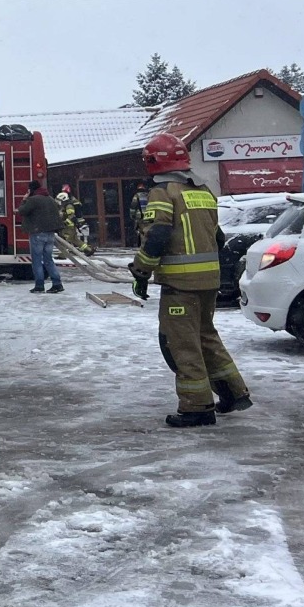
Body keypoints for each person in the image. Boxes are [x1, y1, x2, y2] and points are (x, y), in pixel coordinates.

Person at [129, 132, 252, 428]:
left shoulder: (163, 191)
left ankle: (197, 408)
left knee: (181, 344)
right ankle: (234, 393)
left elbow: (158, 234)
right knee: (206, 337)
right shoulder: (202, 190)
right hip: (208, 281)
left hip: (180, 285)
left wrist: (142, 271)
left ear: (152, 162)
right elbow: (218, 236)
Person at [18, 180, 64, 294]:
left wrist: (24, 199)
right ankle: (57, 283)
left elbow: (22, 211)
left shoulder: (33, 200)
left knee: (37, 261)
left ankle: (39, 285)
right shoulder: (50, 199)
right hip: (50, 234)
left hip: (38, 233)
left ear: (31, 190)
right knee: (48, 260)